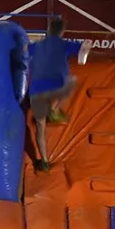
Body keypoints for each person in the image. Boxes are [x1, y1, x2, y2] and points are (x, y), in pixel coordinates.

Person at [28, 16, 77, 172]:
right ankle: (55, 109)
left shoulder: (37, 46)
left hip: (37, 90)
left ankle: (44, 161)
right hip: (56, 87)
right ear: (62, 31)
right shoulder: (65, 44)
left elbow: (23, 52)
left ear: (48, 29)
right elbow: (83, 50)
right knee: (71, 82)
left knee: (40, 127)